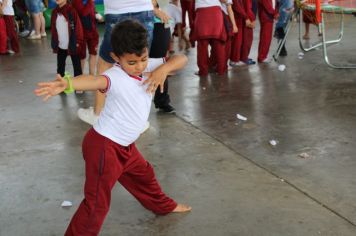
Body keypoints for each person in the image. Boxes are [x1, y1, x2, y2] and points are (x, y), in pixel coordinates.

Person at [34, 20, 191, 235]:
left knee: (145, 175)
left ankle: (164, 206)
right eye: (132, 62)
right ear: (117, 58)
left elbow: (181, 59)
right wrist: (68, 84)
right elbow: (94, 81)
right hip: (104, 148)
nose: (139, 66)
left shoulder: (151, 67)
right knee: (97, 203)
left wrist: (163, 68)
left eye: (143, 59)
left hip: (125, 147)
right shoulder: (114, 76)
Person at [77, 0, 171, 126]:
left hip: (117, 11)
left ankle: (98, 113)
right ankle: (138, 119)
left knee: (105, 65)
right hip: (144, 10)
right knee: (140, 65)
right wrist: (153, 6)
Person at [50, 0, 84, 86]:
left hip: (72, 44)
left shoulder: (72, 11)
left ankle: (79, 85)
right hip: (61, 45)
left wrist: (78, 42)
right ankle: (61, 84)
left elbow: (78, 28)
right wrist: (54, 42)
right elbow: (53, 30)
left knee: (77, 67)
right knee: (60, 67)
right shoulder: (54, 12)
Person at [72, 0, 99, 75]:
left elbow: (92, 11)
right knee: (81, 56)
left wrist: (96, 14)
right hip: (81, 33)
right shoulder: (75, 2)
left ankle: (91, 75)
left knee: (93, 53)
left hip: (93, 32)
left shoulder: (91, 2)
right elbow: (83, 13)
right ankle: (81, 75)